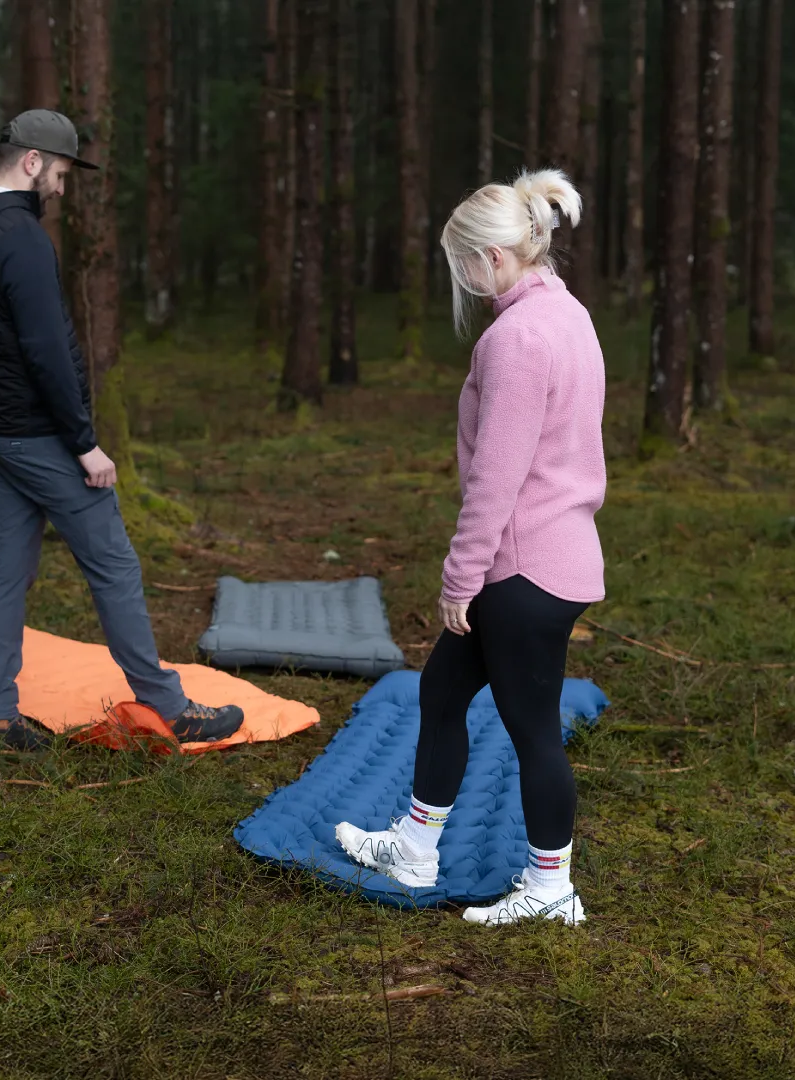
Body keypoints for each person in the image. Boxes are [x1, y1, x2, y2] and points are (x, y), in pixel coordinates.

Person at [335, 169, 606, 926]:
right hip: (555, 556)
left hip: (522, 568)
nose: (463, 283)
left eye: (462, 267)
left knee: (532, 731)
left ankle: (551, 890)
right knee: (443, 691)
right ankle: (416, 849)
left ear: (491, 259)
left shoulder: (517, 338)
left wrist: (462, 580)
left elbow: (496, 478)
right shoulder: (567, 313)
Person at [0, 109, 244, 750]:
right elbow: (44, 348)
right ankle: (168, 706)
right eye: (60, 172)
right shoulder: (18, 237)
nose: (61, 187)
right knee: (114, 564)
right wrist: (83, 443)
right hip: (37, 432)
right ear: (30, 161)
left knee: (6, 571)